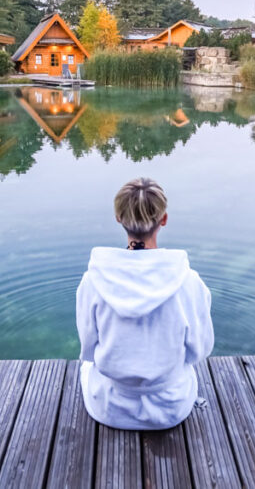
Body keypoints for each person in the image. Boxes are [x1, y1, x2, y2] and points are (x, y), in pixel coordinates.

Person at [76, 177, 214, 430]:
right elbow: (199, 350)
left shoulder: (92, 280)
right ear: (164, 219)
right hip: (171, 408)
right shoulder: (189, 282)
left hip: (109, 407)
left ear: (118, 217)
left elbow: (87, 349)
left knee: (85, 367)